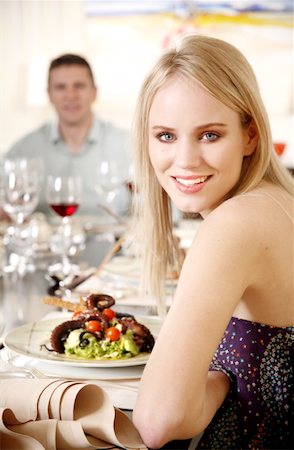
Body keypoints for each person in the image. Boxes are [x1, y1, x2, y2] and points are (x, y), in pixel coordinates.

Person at [131, 34, 294, 449]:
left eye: (209, 135)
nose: (185, 159)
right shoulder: (276, 202)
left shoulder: (234, 224)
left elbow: (158, 421)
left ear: (250, 136)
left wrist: (220, 381)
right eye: (166, 135)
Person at [1, 53, 132, 219]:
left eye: (79, 86)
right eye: (60, 87)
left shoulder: (128, 146)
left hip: (114, 243)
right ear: (49, 94)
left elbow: (161, 210)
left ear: (94, 92)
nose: (70, 95)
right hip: (44, 244)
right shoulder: (23, 150)